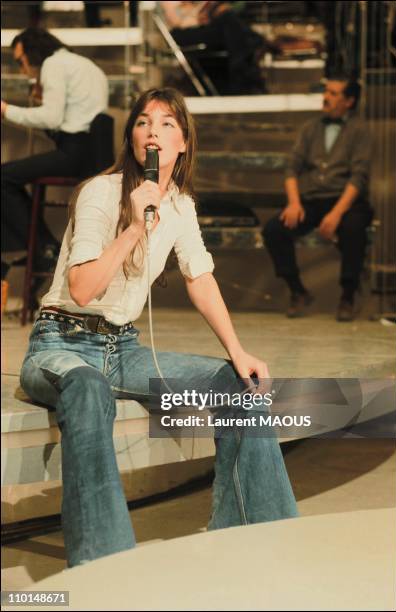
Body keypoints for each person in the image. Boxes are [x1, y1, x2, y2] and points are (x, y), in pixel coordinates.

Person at [20, 87, 298, 568]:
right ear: (132, 138)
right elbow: (83, 289)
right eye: (144, 122)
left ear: (184, 142)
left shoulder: (180, 204)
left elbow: (201, 277)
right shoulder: (100, 193)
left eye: (168, 123)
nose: (154, 131)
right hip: (60, 343)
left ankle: (254, 540)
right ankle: (102, 564)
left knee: (239, 386)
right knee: (88, 387)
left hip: (122, 349)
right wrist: (133, 225)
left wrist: (239, 351)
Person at [1, 28, 108, 290]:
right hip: (94, 152)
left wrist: (5, 110)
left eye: (20, 60)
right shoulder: (81, 63)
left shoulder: (53, 64)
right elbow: (67, 119)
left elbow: (52, 118)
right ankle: (43, 248)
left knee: (3, 176)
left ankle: (43, 249)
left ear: (33, 52)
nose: (22, 68)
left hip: (76, 153)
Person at [263, 75, 373, 322]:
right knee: (274, 229)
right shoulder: (310, 128)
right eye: (327, 91)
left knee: (354, 228)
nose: (326, 97)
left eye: (334, 94)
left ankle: (348, 294)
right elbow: (292, 168)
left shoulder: (360, 130)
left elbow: (359, 177)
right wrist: (294, 203)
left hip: (346, 201)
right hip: (312, 200)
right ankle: (298, 291)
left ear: (349, 101)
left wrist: (336, 214)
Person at [160, 1, 270, 94]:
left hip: (204, 30)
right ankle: (257, 44)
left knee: (228, 22)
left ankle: (251, 50)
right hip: (182, 35)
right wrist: (198, 16)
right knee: (229, 22)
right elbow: (177, 22)